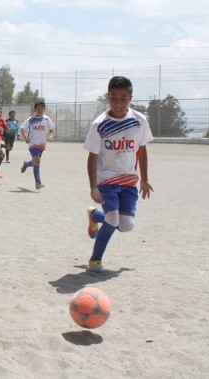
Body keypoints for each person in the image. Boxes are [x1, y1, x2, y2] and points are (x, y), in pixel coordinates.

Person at [84, 76, 154, 274]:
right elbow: (92, 157)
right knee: (113, 220)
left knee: (126, 226)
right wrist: (93, 186)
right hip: (106, 180)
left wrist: (145, 179)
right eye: (114, 98)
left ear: (130, 98)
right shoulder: (99, 124)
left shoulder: (139, 121)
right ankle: (95, 260)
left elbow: (142, 150)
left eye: (124, 98)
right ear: (108, 97)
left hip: (129, 181)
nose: (119, 103)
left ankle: (94, 215)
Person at [20, 102, 55, 190]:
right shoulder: (30, 119)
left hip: (42, 144)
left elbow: (51, 129)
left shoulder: (47, 119)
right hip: (33, 143)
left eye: (42, 108)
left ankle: (27, 164)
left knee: (35, 162)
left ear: (44, 109)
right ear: (35, 110)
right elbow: (22, 128)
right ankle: (38, 183)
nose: (40, 110)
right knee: (37, 162)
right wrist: (25, 137)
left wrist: (51, 135)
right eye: (38, 108)